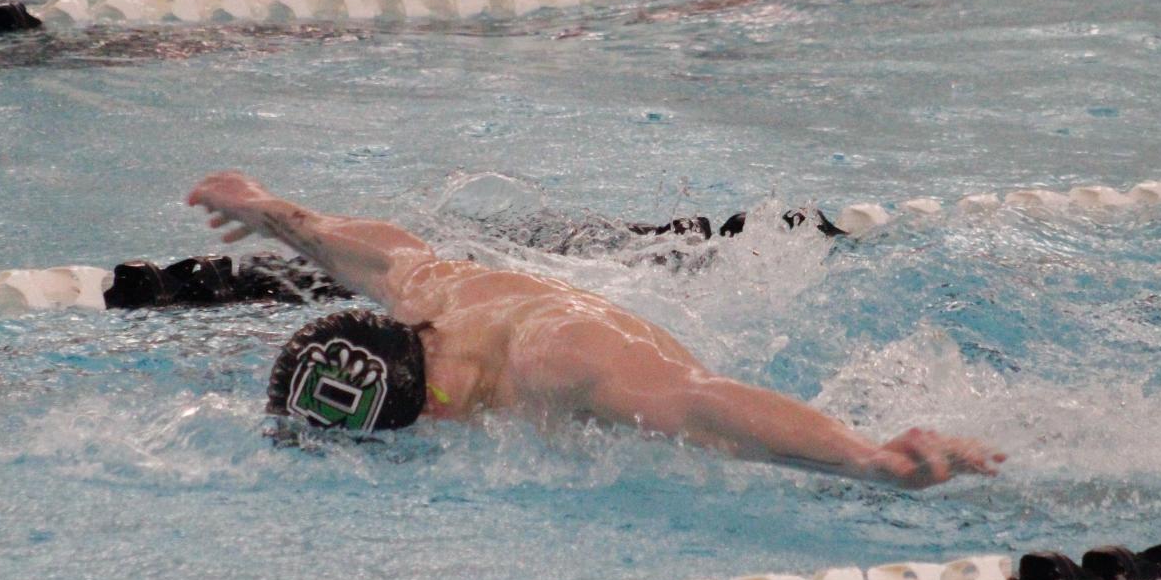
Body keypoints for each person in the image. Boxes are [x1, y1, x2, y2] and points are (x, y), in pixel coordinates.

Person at [187, 171, 1005, 489]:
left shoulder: (556, 362)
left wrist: (865, 458)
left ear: (428, 409)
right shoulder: (427, 297)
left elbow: (701, 405)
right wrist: (271, 214)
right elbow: (360, 248)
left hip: (765, 444)